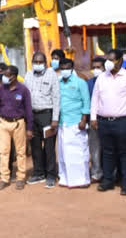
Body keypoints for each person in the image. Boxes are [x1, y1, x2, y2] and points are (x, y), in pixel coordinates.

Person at [90, 48, 126, 195]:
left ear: (120, 60)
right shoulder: (101, 77)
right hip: (103, 121)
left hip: (123, 121)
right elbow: (95, 98)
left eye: (112, 59)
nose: (109, 62)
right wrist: (93, 117)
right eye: (107, 59)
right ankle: (108, 181)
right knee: (107, 152)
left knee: (125, 153)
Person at [0, 65, 32, 191]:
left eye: (7, 75)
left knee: (20, 152)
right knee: (3, 151)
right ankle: (5, 178)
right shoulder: (1, 89)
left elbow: (29, 110)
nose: (4, 77)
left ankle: (20, 178)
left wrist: (29, 128)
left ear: (14, 76)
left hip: (18, 123)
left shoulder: (23, 90)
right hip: (3, 123)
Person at [24, 52, 60, 188]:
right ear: (32, 62)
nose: (38, 64)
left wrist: (55, 119)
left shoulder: (52, 75)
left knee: (49, 146)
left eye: (40, 62)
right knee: (35, 145)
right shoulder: (28, 75)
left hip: (47, 115)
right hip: (32, 115)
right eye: (36, 62)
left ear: (45, 63)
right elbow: (26, 97)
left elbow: (56, 97)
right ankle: (39, 173)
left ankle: (51, 175)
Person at [56, 58, 91, 188]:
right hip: (62, 122)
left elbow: (86, 102)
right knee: (63, 153)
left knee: (79, 153)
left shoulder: (80, 82)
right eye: (62, 68)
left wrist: (83, 120)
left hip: (76, 122)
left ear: (72, 68)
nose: (65, 70)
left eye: (67, 68)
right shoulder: (58, 83)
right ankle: (65, 179)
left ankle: (82, 180)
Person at [87, 56, 106, 182]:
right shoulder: (89, 83)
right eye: (93, 68)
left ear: (104, 68)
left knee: (109, 148)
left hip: (108, 119)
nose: (95, 70)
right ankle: (96, 172)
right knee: (94, 147)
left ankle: (111, 173)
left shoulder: (110, 81)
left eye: (98, 67)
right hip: (93, 119)